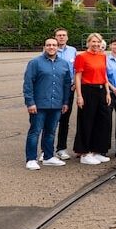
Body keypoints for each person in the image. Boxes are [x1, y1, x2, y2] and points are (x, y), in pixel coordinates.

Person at [23, 38, 72, 170]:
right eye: (49, 45)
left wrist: (65, 102)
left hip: (56, 104)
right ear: (44, 47)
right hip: (39, 104)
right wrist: (30, 102)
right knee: (35, 131)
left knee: (51, 132)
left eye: (54, 45)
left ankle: (48, 157)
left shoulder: (64, 64)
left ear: (58, 47)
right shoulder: (35, 63)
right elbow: (28, 84)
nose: (51, 47)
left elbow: (67, 84)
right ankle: (31, 159)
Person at [73, 33, 112, 165]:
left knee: (102, 121)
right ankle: (85, 152)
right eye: (93, 42)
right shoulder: (81, 57)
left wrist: (107, 92)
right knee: (86, 121)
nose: (96, 44)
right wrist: (79, 95)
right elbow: (78, 76)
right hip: (87, 90)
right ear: (88, 42)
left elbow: (104, 74)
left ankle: (97, 150)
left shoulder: (102, 56)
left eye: (98, 42)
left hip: (101, 89)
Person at [54, 28, 77, 160]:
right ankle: (46, 150)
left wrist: (74, 83)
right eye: (59, 35)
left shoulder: (72, 51)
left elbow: (75, 68)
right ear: (55, 37)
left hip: (69, 89)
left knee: (64, 119)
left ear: (67, 38)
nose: (61, 37)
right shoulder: (50, 48)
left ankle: (61, 148)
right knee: (50, 119)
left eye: (63, 35)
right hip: (53, 88)